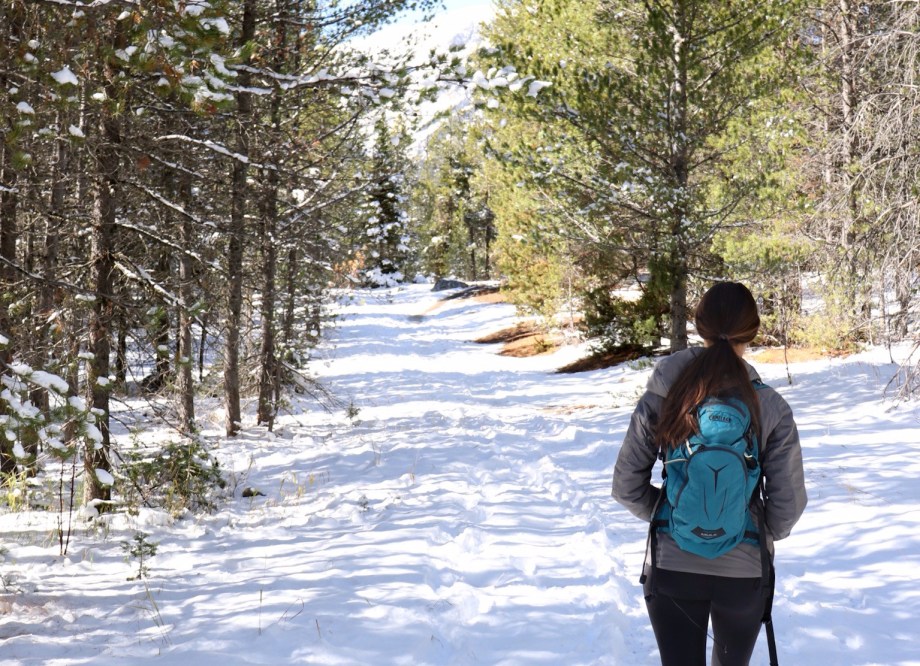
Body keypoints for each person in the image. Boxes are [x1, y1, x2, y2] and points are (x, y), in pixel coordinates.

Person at [612, 282, 807, 666]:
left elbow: (626, 486)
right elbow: (787, 507)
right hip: (744, 569)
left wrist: (675, 511)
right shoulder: (770, 405)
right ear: (752, 332)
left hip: (672, 565)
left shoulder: (664, 394)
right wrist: (744, 525)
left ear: (699, 325)